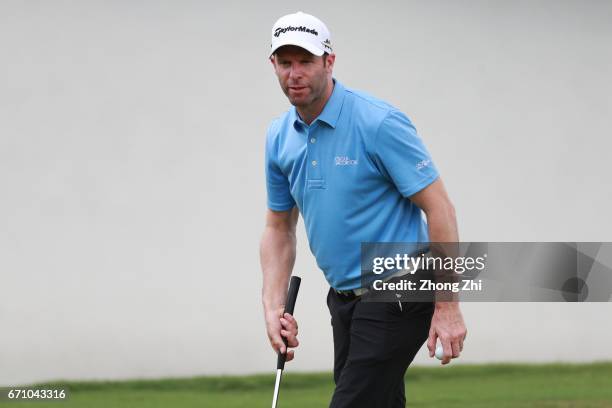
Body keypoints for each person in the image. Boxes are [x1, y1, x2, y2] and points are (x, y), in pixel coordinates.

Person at [260, 11, 467, 408]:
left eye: (305, 61)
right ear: (274, 66)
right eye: (285, 63)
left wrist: (448, 307)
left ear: (329, 62)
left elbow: (440, 210)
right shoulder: (278, 136)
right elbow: (278, 228)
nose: (295, 74)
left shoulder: (378, 122)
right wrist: (273, 307)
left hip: (401, 288)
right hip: (344, 298)